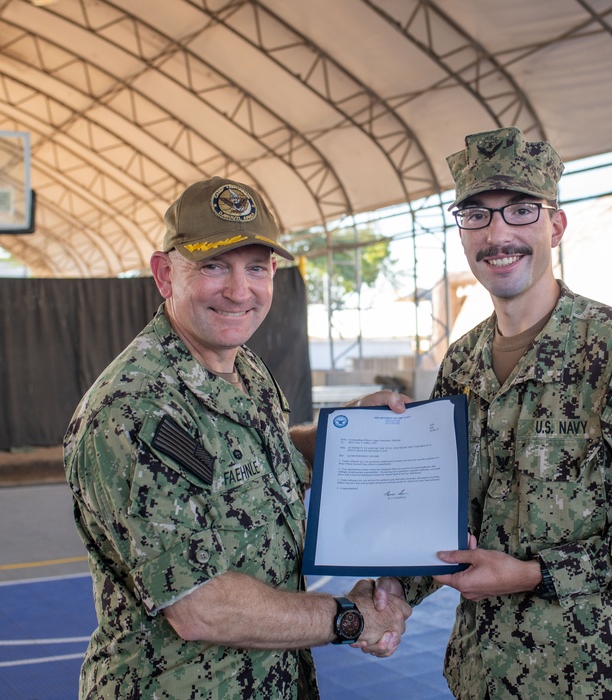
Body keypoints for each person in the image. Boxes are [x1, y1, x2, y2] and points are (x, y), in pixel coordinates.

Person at [378, 127, 612, 698]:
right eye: (477, 216)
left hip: (597, 679)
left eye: (520, 211)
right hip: (482, 676)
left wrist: (536, 574)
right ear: (461, 234)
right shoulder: (461, 363)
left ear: (555, 227)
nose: (499, 234)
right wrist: (390, 593)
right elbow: (445, 513)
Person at [63, 176, 411, 699]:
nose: (238, 291)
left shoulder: (241, 367)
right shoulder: (135, 407)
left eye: (255, 267)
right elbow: (200, 606)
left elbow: (254, 463)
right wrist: (350, 619)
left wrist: (348, 432)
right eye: (212, 266)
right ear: (164, 274)